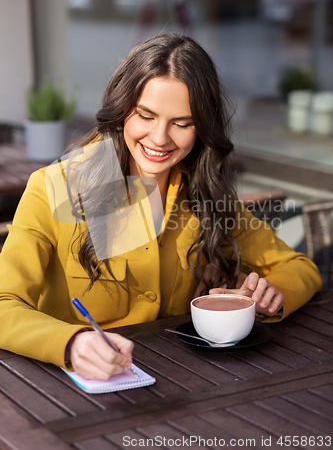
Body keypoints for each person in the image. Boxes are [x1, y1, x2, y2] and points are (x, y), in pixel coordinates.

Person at [0, 34, 322, 380]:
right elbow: (5, 304)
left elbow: (299, 267)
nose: (159, 139)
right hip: (73, 386)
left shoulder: (206, 196)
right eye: (146, 116)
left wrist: (269, 297)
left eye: (182, 124)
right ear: (122, 109)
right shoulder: (55, 188)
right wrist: (70, 343)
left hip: (182, 380)